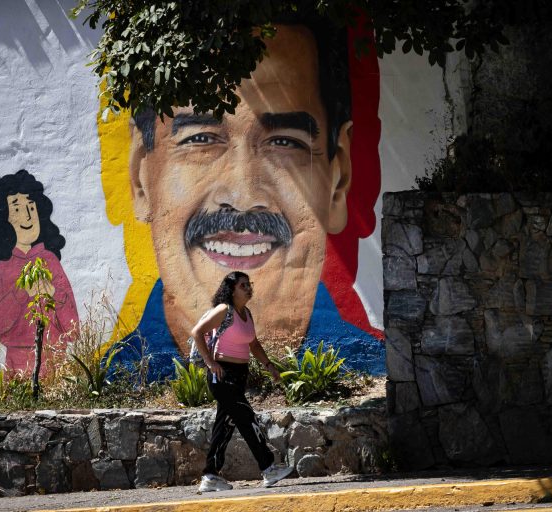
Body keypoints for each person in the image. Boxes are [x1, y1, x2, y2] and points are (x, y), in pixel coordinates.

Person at [104, 18, 386, 381]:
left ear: (337, 179)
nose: (241, 195)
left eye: (285, 142)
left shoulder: (381, 370)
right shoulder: (115, 376)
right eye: (200, 139)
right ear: (141, 178)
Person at [192, 271, 294, 492]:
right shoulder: (224, 310)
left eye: (249, 284)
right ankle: (268, 468)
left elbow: (254, 344)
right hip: (222, 375)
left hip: (239, 375)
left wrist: (269, 366)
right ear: (232, 290)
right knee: (248, 419)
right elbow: (197, 332)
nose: (248, 288)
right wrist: (210, 363)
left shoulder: (246, 312)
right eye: (243, 285)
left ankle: (210, 476)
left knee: (224, 426)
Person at [0, 170, 79, 376]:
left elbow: (73, 329)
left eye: (31, 207)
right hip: (17, 362)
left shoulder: (49, 260)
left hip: (56, 359)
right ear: (3, 217)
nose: (27, 216)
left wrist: (54, 294)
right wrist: (22, 291)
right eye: (16, 208)